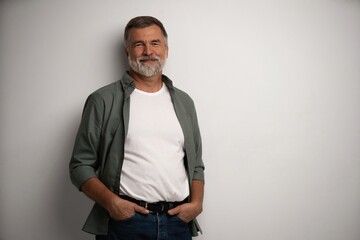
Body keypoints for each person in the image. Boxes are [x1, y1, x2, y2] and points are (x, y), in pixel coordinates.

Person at [69, 16, 205, 240]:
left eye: (155, 43)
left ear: (166, 50)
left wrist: (197, 204)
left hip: (178, 223)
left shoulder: (184, 102)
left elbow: (196, 164)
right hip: (125, 225)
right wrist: (112, 204)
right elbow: (80, 166)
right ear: (127, 52)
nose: (148, 51)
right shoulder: (102, 100)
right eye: (138, 44)